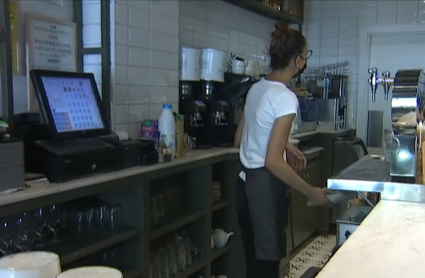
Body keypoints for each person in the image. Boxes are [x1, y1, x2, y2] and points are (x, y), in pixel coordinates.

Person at [234, 22, 329, 278]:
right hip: (263, 190)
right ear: (297, 60)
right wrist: (312, 192)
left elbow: (240, 137)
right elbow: (273, 162)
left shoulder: (256, 88)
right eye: (305, 56)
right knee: (266, 271)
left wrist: (284, 142)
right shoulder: (286, 97)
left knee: (254, 265)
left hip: (244, 188)